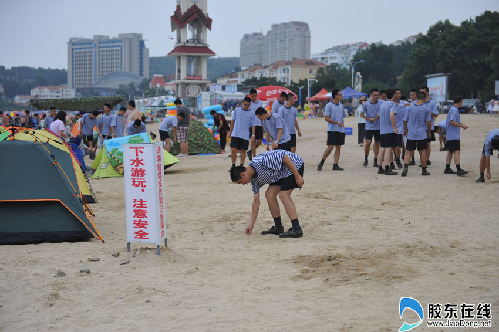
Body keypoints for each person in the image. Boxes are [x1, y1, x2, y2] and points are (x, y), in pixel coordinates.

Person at [230, 149, 304, 238]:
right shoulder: (254, 180)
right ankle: (278, 227)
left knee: (283, 194)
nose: (242, 184)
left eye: (240, 182)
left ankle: (297, 229)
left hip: (294, 165)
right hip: (280, 173)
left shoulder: (261, 162)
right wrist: (251, 224)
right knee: (269, 194)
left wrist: (297, 176)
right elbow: (256, 201)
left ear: (243, 175)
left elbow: (285, 158)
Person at [401, 91, 431, 177]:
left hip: (411, 133)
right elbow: (428, 122)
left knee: (409, 152)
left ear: (416, 98)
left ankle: (405, 168)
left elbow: (405, 120)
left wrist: (405, 129)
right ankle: (424, 170)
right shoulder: (426, 109)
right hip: (422, 134)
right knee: (423, 152)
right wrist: (429, 132)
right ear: (425, 98)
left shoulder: (410, 107)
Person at [317, 89, 346, 171]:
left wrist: (344, 129)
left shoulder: (341, 106)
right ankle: (322, 161)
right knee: (330, 147)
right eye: (340, 94)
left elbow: (342, 119)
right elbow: (326, 118)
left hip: (340, 130)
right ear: (336, 96)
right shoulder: (329, 105)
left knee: (338, 147)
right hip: (332, 129)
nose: (341, 96)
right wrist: (336, 122)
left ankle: (335, 164)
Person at [444, 96, 469, 176]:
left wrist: (460, 124)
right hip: (453, 135)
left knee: (450, 151)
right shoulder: (454, 110)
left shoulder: (452, 109)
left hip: (450, 134)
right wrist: (461, 126)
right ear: (460, 101)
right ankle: (458, 169)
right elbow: (452, 121)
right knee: (457, 152)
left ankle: (447, 168)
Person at [377, 89, 398, 175]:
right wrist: (395, 128)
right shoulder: (392, 104)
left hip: (382, 130)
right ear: (393, 95)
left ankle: (380, 167)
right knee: (388, 149)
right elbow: (392, 116)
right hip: (389, 130)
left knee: (382, 149)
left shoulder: (382, 104)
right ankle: (387, 168)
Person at [228, 97, 254, 168]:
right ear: (242, 103)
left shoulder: (252, 112)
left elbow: (253, 124)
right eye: (245, 104)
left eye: (248, 105)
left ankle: (241, 165)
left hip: (245, 134)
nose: (246, 106)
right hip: (235, 133)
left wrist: (253, 135)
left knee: (243, 150)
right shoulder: (237, 110)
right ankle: (233, 165)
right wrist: (230, 132)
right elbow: (232, 121)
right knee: (233, 149)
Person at [361, 88, 383, 167]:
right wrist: (368, 119)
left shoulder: (381, 103)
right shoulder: (366, 104)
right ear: (371, 95)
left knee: (377, 143)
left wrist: (375, 118)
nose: (376, 96)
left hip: (378, 127)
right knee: (368, 143)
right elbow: (361, 114)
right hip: (369, 127)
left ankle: (375, 159)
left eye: (377, 95)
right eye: (375, 95)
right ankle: (366, 158)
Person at [420, 86, 439, 166]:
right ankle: (423, 159)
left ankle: (426, 160)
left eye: (423, 92)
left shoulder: (432, 103)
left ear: (427, 93)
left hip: (429, 126)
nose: (421, 94)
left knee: (427, 144)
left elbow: (436, 114)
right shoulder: (418, 102)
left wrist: (428, 112)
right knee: (420, 144)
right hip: (419, 127)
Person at [247, 89, 263, 161]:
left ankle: (250, 151)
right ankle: (254, 156)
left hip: (259, 123)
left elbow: (262, 113)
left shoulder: (260, 102)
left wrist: (262, 124)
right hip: (251, 124)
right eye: (252, 96)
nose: (253, 97)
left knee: (259, 141)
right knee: (253, 141)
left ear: (256, 95)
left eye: (254, 96)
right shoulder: (249, 103)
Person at [393, 91, 407, 168]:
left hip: (399, 129)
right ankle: (393, 161)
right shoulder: (390, 104)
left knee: (398, 146)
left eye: (400, 93)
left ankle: (398, 160)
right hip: (390, 129)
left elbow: (411, 105)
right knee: (391, 147)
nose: (399, 95)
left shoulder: (404, 103)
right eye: (397, 93)